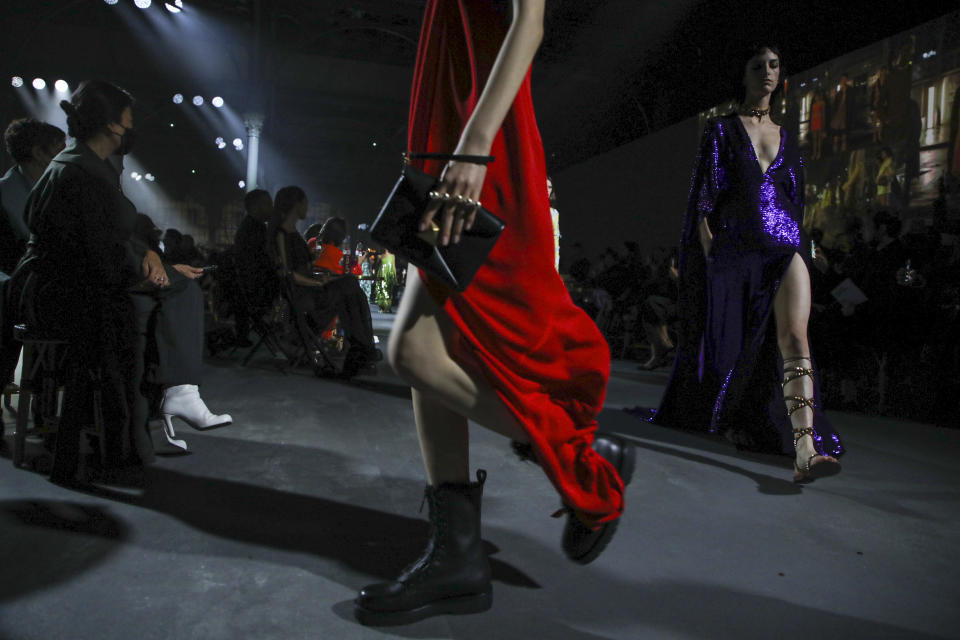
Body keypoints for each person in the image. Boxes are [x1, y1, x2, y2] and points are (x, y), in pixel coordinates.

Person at [354, 0, 634, 626]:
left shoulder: (478, 148)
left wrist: (473, 148)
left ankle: (580, 464)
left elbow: (529, 21)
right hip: (458, 151)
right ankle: (456, 553)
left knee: (410, 353)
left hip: (482, 154)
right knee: (434, 351)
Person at [631, 45, 843, 482]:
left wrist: (808, 247)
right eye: (757, 66)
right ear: (743, 75)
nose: (767, 72)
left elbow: (796, 202)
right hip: (739, 250)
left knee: (795, 337)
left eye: (774, 65)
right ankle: (747, 418)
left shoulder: (791, 137)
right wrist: (712, 258)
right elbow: (706, 201)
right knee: (741, 346)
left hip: (786, 245)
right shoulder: (721, 130)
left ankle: (805, 448)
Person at [267, 186, 378, 378]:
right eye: (305, 203)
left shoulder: (292, 234)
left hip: (308, 290)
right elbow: (286, 274)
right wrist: (317, 283)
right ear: (296, 204)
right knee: (350, 285)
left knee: (349, 287)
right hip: (301, 294)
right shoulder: (281, 234)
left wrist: (319, 275)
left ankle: (362, 350)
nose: (307, 207)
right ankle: (363, 350)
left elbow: (301, 269)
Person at [228, 188, 276, 346]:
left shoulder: (250, 227)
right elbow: (265, 261)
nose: (272, 207)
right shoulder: (256, 230)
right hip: (256, 290)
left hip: (248, 289)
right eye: (268, 204)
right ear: (256, 207)